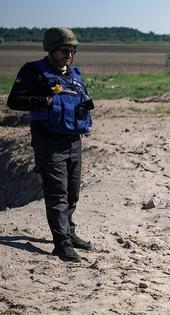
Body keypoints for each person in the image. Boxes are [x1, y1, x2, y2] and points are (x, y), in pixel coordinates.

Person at [7, 27, 95, 262]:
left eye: (72, 49)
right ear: (51, 49)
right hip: (48, 142)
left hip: (73, 140)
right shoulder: (32, 71)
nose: (69, 54)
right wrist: (43, 100)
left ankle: (70, 233)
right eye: (64, 50)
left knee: (72, 192)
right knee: (56, 195)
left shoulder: (74, 74)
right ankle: (62, 244)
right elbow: (14, 100)